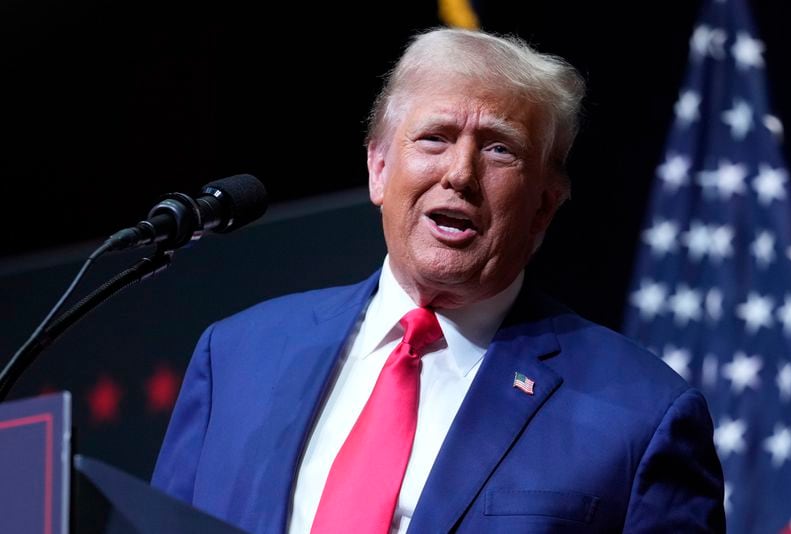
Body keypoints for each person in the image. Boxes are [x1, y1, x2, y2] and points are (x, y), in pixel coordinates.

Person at [151, 28, 725, 533]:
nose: (460, 173)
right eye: (435, 137)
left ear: (545, 207)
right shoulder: (235, 357)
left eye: (500, 149)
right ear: (379, 168)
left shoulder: (641, 416)